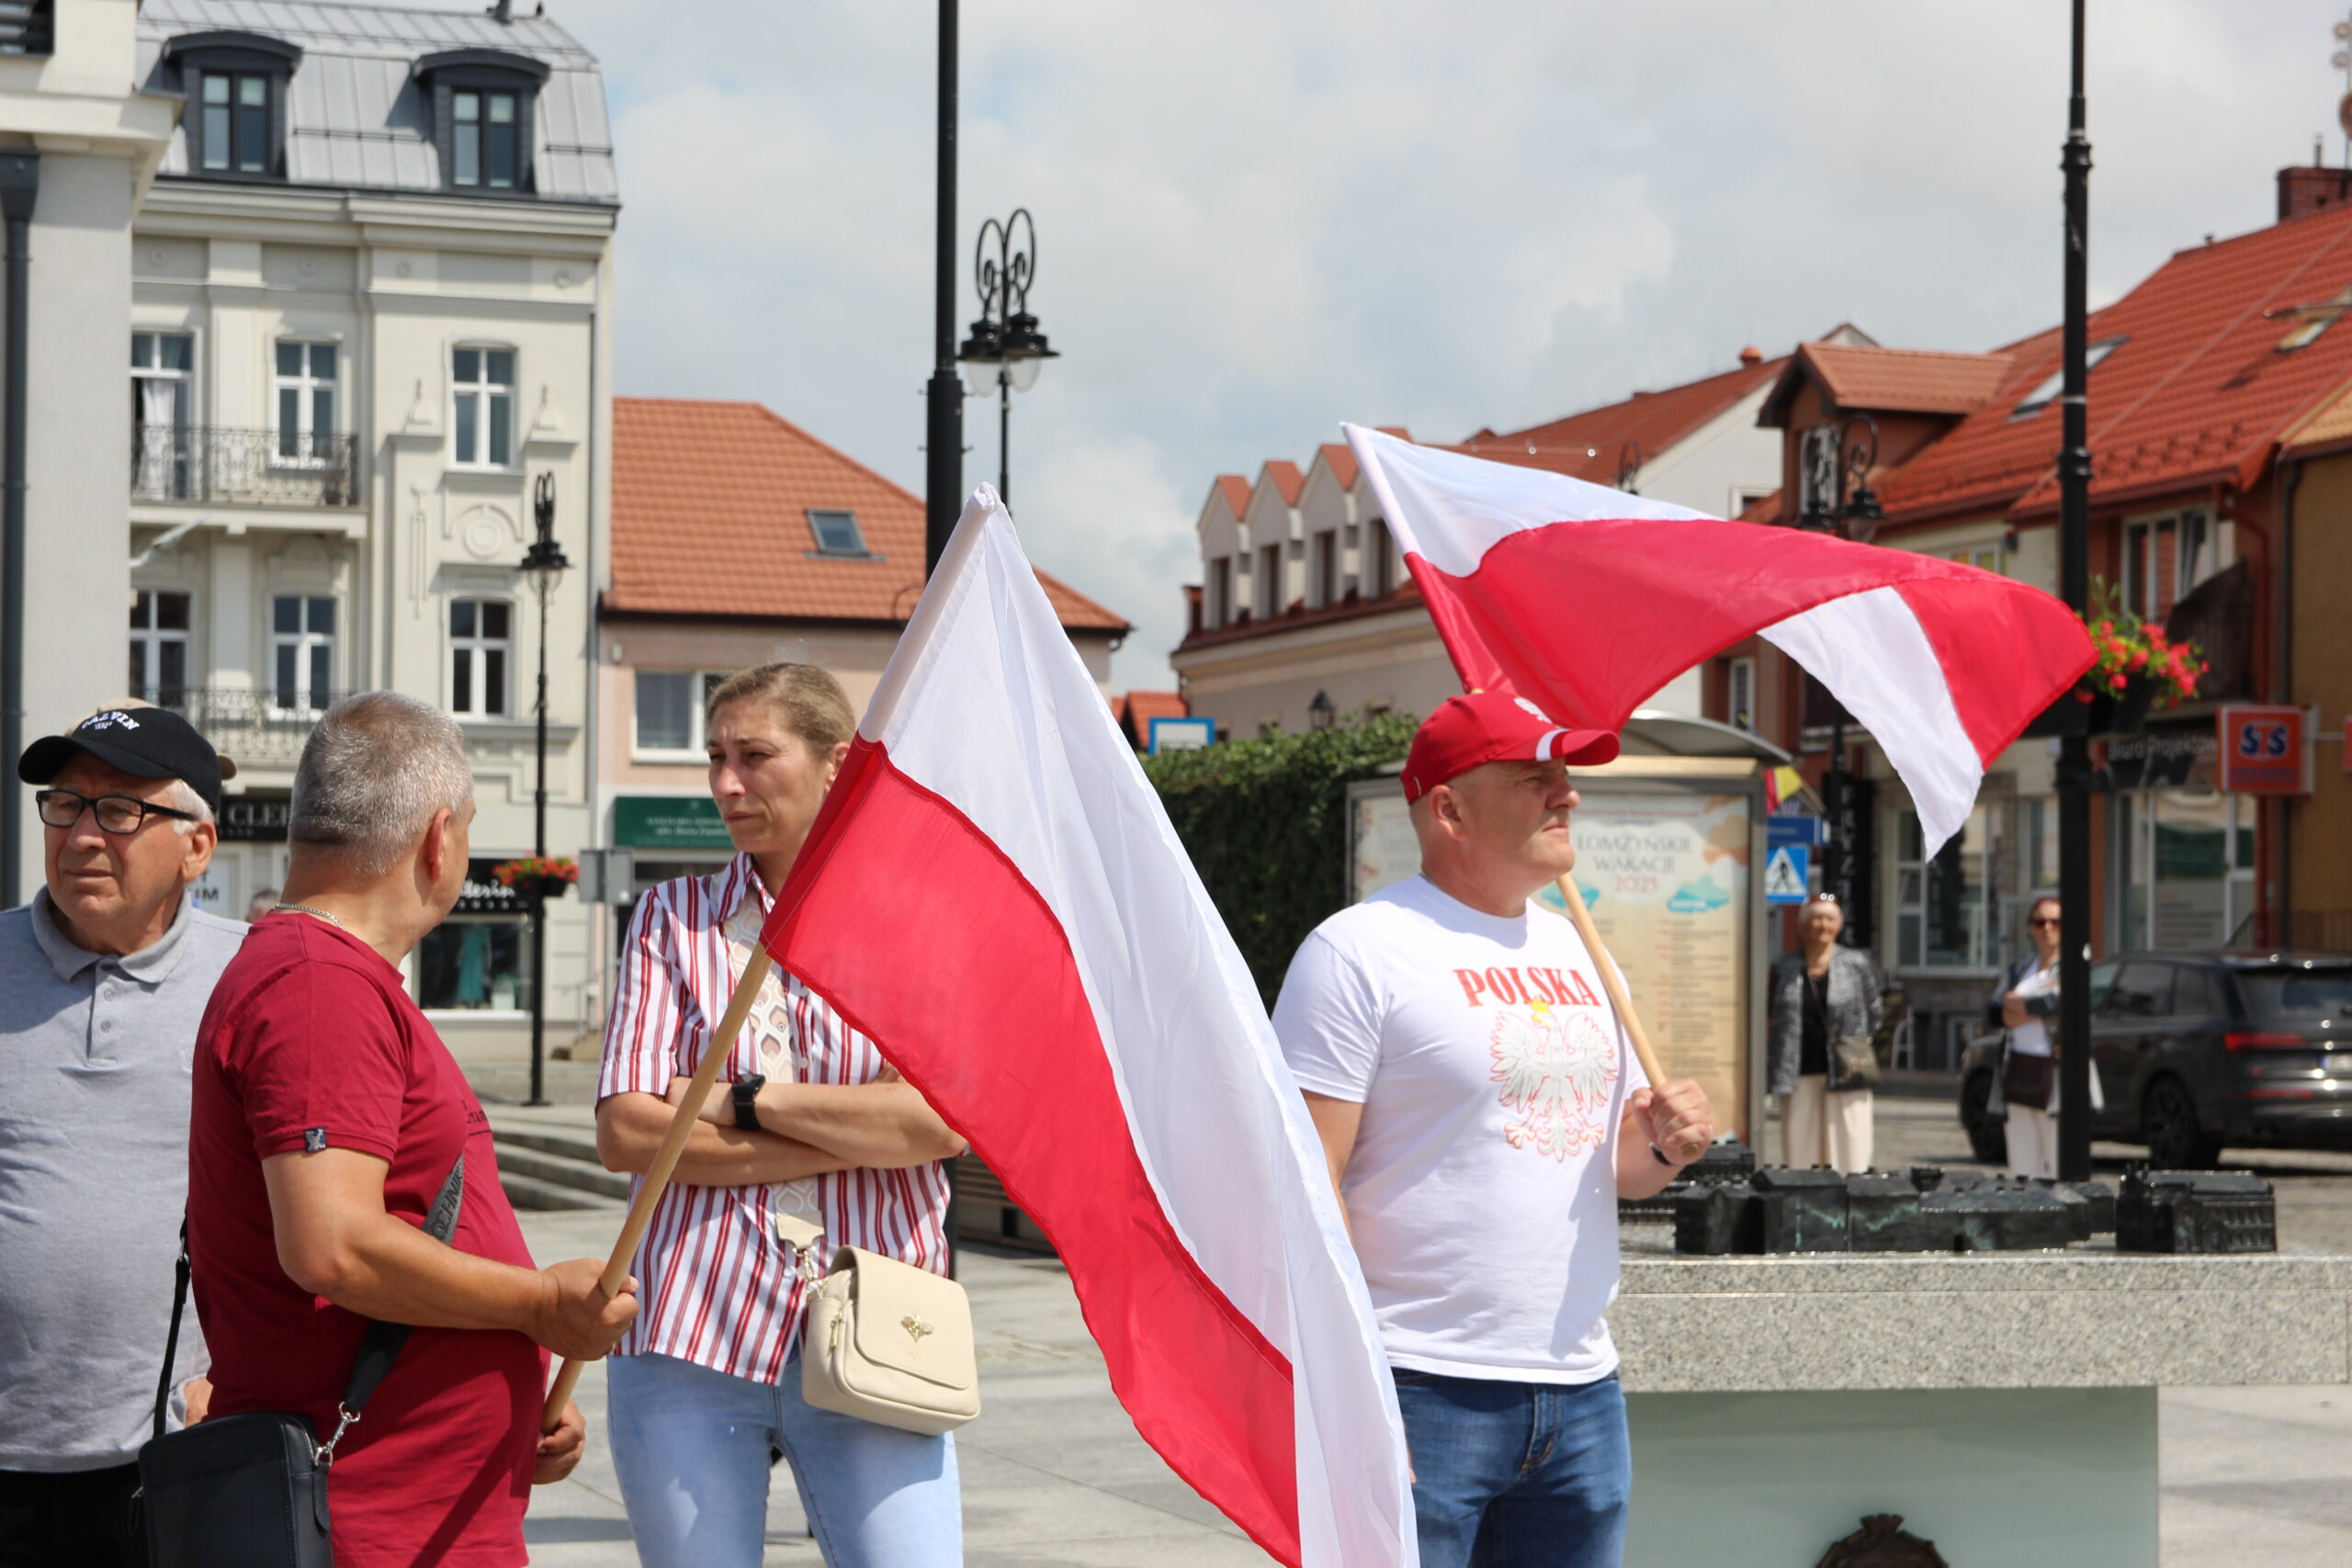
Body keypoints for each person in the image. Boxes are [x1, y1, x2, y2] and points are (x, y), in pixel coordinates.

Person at [188, 693, 638, 1567]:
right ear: (439, 839)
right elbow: (335, 1247)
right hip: (367, 1518)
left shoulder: (328, 977)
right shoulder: (318, 984)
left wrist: (508, 1401)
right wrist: (538, 1306)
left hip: (405, 1503)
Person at [1272, 693, 1714, 1568]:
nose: (1568, 794)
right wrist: (1346, 1383)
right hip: (1418, 1381)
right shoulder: (1357, 953)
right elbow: (1304, 1181)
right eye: (1535, 778)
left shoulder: (1585, 951)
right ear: (1449, 809)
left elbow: (1617, 1169)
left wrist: (1666, 1143)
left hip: (1580, 1387)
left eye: (1565, 776)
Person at [595, 663, 965, 1568]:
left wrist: (741, 1100)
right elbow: (628, 1132)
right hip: (690, 1333)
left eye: (755, 756)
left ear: (836, 764)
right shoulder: (672, 918)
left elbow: (938, 1125)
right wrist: (855, 1137)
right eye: (715, 757)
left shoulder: (917, 920)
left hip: (882, 1334)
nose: (726, 783)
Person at [0, 705, 246, 1567]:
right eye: (66, 803)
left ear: (197, 845)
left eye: (118, 810)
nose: (80, 835)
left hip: (175, 1458)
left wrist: (238, 1376)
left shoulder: (253, 977)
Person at [1766, 894, 1884, 1173]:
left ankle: (1849, 1194)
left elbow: (1876, 1010)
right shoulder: (1784, 966)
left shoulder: (1856, 963)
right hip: (1797, 1070)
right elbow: (1771, 1013)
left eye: (1829, 918)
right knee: (1800, 1151)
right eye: (1816, 918)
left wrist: (1859, 1043)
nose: (1822, 925)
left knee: (1850, 1149)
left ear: (1838, 925)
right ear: (1802, 925)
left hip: (1846, 1070)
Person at [1987, 896, 2083, 1179]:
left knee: (2057, 1160)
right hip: (2018, 1068)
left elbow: (2058, 1003)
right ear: (2030, 927)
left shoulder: (2072, 967)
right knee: (2022, 1161)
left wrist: (2017, 1007)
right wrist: (2035, 1010)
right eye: (2040, 922)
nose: (2048, 928)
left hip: (2056, 1073)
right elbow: (1994, 1012)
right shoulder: (2020, 969)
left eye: (2056, 922)